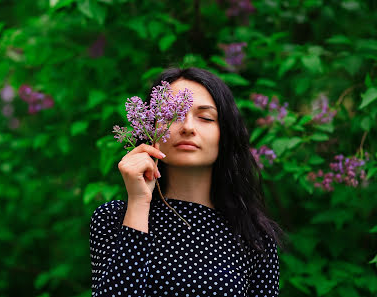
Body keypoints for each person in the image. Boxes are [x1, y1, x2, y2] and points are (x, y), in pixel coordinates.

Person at [89, 67, 286, 296]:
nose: (188, 127)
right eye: (173, 115)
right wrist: (139, 202)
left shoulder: (254, 236)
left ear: (226, 134)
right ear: (150, 128)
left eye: (205, 118)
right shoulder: (113, 219)